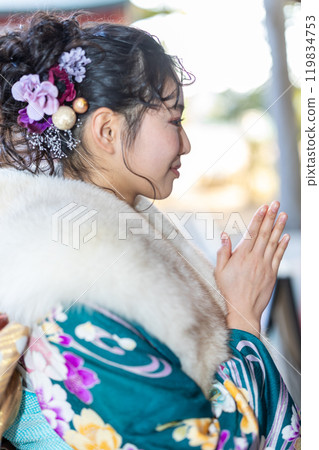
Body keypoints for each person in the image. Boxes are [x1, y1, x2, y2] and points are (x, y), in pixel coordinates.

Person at [0, 12, 300, 450]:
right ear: (107, 129)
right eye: (174, 120)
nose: (187, 143)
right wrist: (243, 318)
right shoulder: (69, 277)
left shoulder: (108, 240)